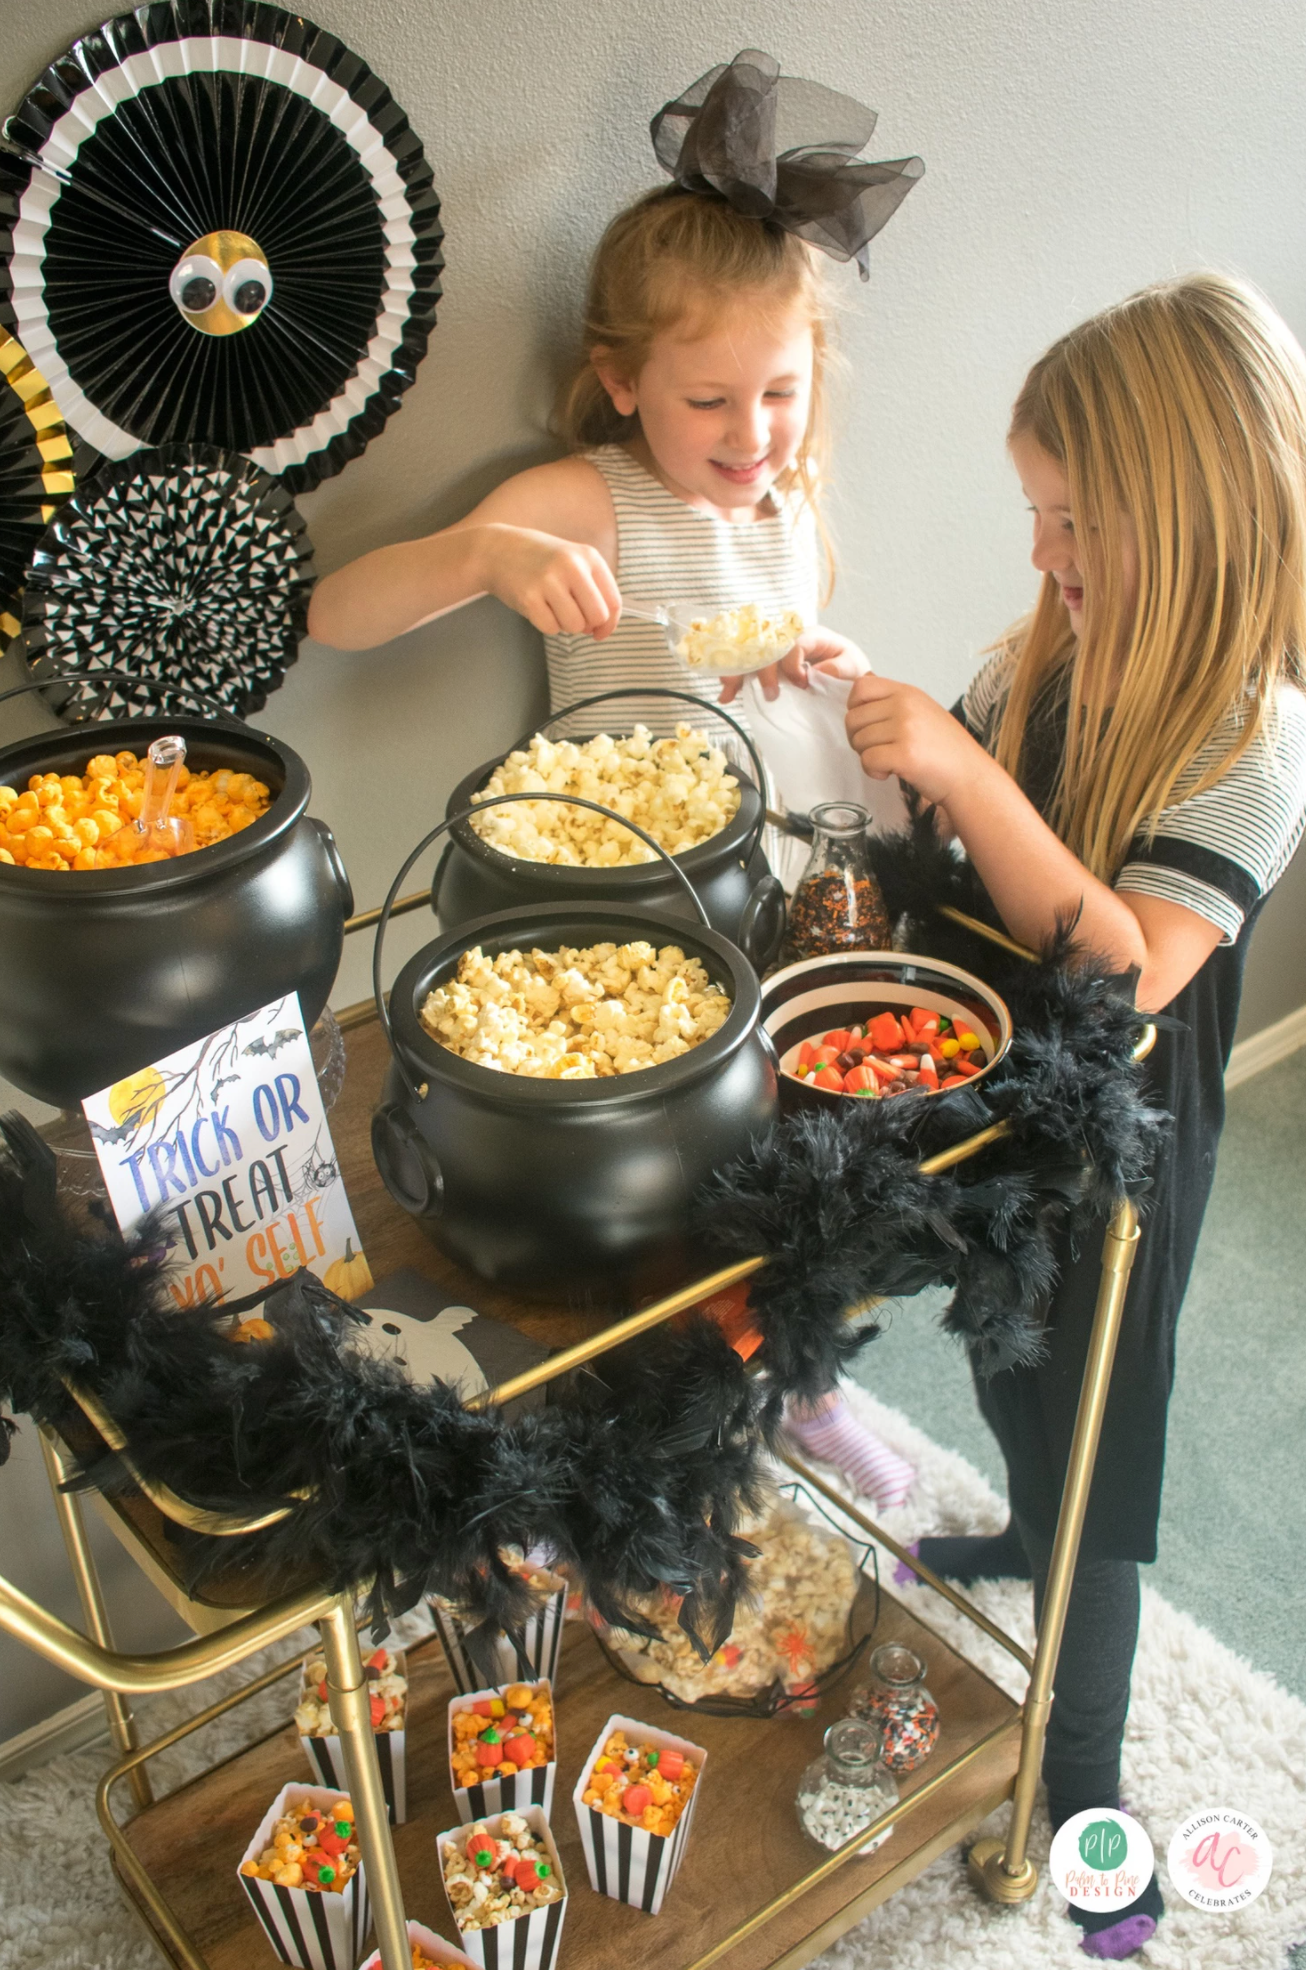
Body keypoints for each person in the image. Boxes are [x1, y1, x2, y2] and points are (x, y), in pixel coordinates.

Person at [311, 51, 926, 1509]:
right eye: (708, 398)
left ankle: (802, 1373)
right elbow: (336, 614)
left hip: (772, 876)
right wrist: (478, 555)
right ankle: (654, 1439)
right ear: (620, 383)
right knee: (663, 1189)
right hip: (625, 912)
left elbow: (783, 640)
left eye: (780, 391)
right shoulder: (587, 500)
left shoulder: (792, 502)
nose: (749, 433)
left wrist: (814, 651)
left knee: (796, 1148)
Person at [836, 272, 1306, 1959]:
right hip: (990, 1096)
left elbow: (1122, 959)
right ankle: (1018, 1518)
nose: (1038, 557)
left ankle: (1085, 1785)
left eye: (1067, 521)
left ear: (1181, 520)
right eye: (1030, 517)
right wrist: (908, 745)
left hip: (1122, 1145)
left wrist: (969, 782)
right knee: (998, 1343)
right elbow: (960, 833)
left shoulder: (1256, 744)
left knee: (1095, 1421)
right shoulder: (1045, 647)